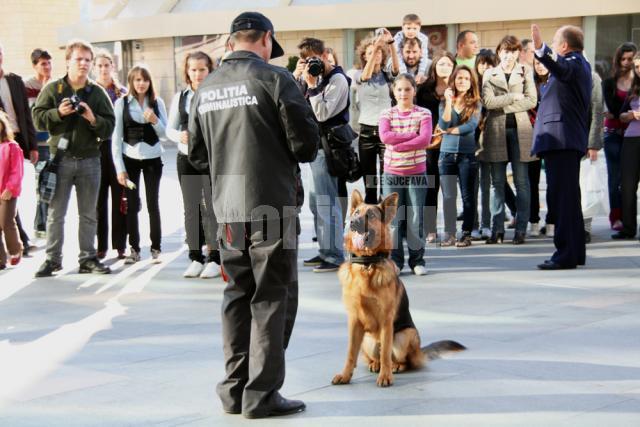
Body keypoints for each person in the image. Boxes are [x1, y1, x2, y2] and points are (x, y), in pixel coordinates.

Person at [188, 11, 319, 419]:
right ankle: (261, 394)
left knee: (236, 295)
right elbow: (306, 146)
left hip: (228, 207)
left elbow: (195, 155)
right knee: (273, 296)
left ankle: (233, 389)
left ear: (231, 42)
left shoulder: (205, 88)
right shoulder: (277, 80)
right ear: (265, 39)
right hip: (272, 204)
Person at [32, 39, 115, 277]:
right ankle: (52, 259)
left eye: (88, 60)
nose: (84, 64)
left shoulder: (97, 93)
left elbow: (109, 127)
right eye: (79, 59)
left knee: (89, 213)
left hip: (90, 160)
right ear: (68, 61)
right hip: (61, 159)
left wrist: (92, 118)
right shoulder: (54, 89)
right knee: (56, 213)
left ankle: (87, 258)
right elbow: (37, 119)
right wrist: (58, 113)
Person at [531, 24, 591, 270]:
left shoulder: (574, 63)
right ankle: (575, 252)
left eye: (555, 42)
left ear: (564, 46)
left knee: (562, 200)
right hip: (563, 141)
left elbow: (561, 66)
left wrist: (540, 49)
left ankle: (564, 254)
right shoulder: (577, 66)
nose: (554, 45)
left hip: (562, 141)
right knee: (569, 199)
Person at [167, 51, 221, 278]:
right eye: (193, 69)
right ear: (187, 72)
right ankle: (195, 256)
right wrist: (179, 136)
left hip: (209, 159)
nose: (198, 74)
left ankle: (215, 259)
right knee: (191, 209)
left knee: (211, 208)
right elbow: (168, 129)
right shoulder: (180, 97)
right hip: (185, 158)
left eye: (202, 69)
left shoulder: (215, 94)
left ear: (210, 70)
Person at [298, 37, 350, 272]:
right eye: (305, 60)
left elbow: (322, 113)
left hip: (328, 149)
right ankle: (325, 250)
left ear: (324, 55)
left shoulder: (338, 79)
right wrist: (299, 78)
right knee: (316, 203)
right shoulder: (312, 77)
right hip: (313, 148)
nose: (310, 64)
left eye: (313, 59)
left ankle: (335, 255)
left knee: (327, 203)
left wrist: (312, 86)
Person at [481, 35, 537, 245]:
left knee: (522, 182)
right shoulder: (489, 72)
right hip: (496, 131)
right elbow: (487, 102)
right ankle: (497, 230)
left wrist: (501, 105)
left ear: (518, 53)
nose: (509, 55)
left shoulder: (525, 70)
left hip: (521, 130)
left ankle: (521, 229)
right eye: (505, 51)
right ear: (499, 52)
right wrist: (514, 97)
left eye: (513, 51)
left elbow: (531, 100)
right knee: (497, 183)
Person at [112, 65, 167, 264]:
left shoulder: (157, 102)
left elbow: (165, 134)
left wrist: (154, 121)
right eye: (137, 80)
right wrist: (120, 169)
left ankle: (156, 248)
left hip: (153, 159)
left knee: (153, 203)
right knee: (132, 205)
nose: (141, 83)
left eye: (144, 79)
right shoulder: (122, 103)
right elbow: (116, 138)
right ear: (131, 82)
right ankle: (134, 248)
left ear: (149, 82)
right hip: (130, 160)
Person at [380, 73, 431, 273]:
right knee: (393, 220)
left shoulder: (424, 113)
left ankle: (417, 261)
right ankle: (397, 262)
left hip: (417, 172)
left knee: (416, 218)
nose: (403, 93)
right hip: (392, 173)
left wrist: (398, 143)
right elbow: (385, 136)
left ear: (414, 90)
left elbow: (425, 140)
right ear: (393, 91)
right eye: (399, 89)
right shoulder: (387, 114)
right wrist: (412, 136)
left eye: (407, 89)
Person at [0, 42, 38, 256]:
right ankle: (20, 240)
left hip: (19, 139)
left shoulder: (14, 81)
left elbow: (25, 113)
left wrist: (32, 145)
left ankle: (18, 240)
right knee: (6, 191)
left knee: (12, 189)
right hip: (0, 140)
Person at [353, 30, 399, 204]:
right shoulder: (358, 75)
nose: (376, 54)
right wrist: (376, 44)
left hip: (386, 131)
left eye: (379, 51)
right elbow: (365, 75)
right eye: (371, 52)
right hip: (366, 132)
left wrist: (390, 44)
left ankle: (386, 213)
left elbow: (396, 69)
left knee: (386, 177)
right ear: (364, 56)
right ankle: (371, 210)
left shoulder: (387, 75)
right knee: (370, 178)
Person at [438, 65, 482, 247]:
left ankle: (466, 233)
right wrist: (448, 102)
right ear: (453, 81)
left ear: (471, 81)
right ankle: (450, 233)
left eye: (465, 78)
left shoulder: (476, 103)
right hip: (446, 155)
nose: (462, 81)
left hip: (467, 156)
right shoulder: (443, 102)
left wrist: (451, 131)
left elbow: (471, 126)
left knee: (468, 196)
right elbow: (443, 123)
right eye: (459, 78)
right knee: (448, 197)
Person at [416, 51, 455, 243]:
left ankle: (451, 230)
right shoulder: (424, 89)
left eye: (448, 64)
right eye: (441, 64)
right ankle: (430, 228)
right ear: (434, 67)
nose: (444, 68)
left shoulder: (459, 87)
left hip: (452, 142)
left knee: (449, 190)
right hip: (430, 144)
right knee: (431, 187)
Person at [93, 49, 128, 260]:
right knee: (99, 200)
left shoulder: (122, 92)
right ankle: (101, 245)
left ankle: (120, 244)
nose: (104, 69)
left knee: (120, 198)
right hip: (96, 149)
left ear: (112, 67)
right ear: (95, 68)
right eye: (100, 66)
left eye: (107, 65)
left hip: (117, 149)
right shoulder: (90, 91)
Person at [602, 42, 637, 231]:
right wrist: (632, 113)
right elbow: (614, 110)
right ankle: (616, 218)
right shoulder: (608, 82)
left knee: (630, 180)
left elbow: (617, 111)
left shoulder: (638, 83)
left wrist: (624, 114)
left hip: (633, 136)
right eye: (622, 59)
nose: (626, 62)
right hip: (613, 134)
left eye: (630, 59)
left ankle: (629, 219)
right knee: (615, 178)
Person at [24, 48, 52, 239]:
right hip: (37, 144)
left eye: (49, 62)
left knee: (50, 184)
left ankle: (42, 225)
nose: (47, 67)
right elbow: (30, 114)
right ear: (35, 65)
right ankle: (42, 225)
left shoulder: (57, 85)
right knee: (41, 185)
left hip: (55, 143)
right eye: (43, 63)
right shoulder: (26, 86)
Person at [615, 52, 640, 240]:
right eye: (637, 67)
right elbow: (621, 116)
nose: (639, 70)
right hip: (631, 140)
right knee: (628, 186)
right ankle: (628, 228)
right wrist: (631, 115)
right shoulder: (634, 89)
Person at [528, 58, 552, 237]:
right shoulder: (530, 84)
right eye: (537, 64)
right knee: (532, 182)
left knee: (552, 182)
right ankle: (534, 221)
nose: (540, 66)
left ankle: (551, 222)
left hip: (553, 137)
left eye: (543, 63)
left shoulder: (557, 82)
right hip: (533, 136)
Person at [0, 111, 24, 269]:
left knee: (6, 222)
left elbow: (17, 170)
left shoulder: (11, 146)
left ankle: (16, 249)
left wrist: (10, 188)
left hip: (7, 192)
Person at [393, 13, 430, 81]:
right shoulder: (398, 38)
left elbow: (424, 56)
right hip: (401, 63)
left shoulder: (423, 38)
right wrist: (404, 74)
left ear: (419, 28)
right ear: (403, 27)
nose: (411, 31)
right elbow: (398, 56)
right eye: (408, 28)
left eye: (414, 29)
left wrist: (421, 73)